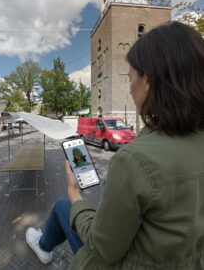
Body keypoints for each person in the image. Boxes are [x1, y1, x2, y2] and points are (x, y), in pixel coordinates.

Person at [25, 21, 204, 269]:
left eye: (131, 77)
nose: (130, 90)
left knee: (65, 205)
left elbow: (104, 249)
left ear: (148, 81)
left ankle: (44, 246)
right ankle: (44, 245)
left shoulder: (134, 160)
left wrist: (76, 193)